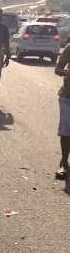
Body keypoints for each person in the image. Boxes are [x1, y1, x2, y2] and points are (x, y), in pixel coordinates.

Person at [54, 42, 70, 179]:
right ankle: (64, 164)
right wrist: (67, 72)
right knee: (66, 132)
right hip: (68, 97)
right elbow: (58, 69)